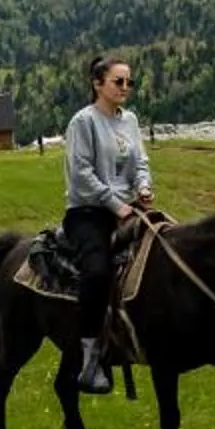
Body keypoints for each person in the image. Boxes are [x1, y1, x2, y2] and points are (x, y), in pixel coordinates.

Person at [61, 53, 154, 394]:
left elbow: (140, 162)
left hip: (128, 207)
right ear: (97, 84)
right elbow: (81, 175)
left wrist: (143, 187)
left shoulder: (129, 120)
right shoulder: (82, 122)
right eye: (118, 81)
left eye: (129, 81)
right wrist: (116, 205)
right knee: (98, 272)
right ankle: (90, 360)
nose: (125, 87)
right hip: (88, 214)